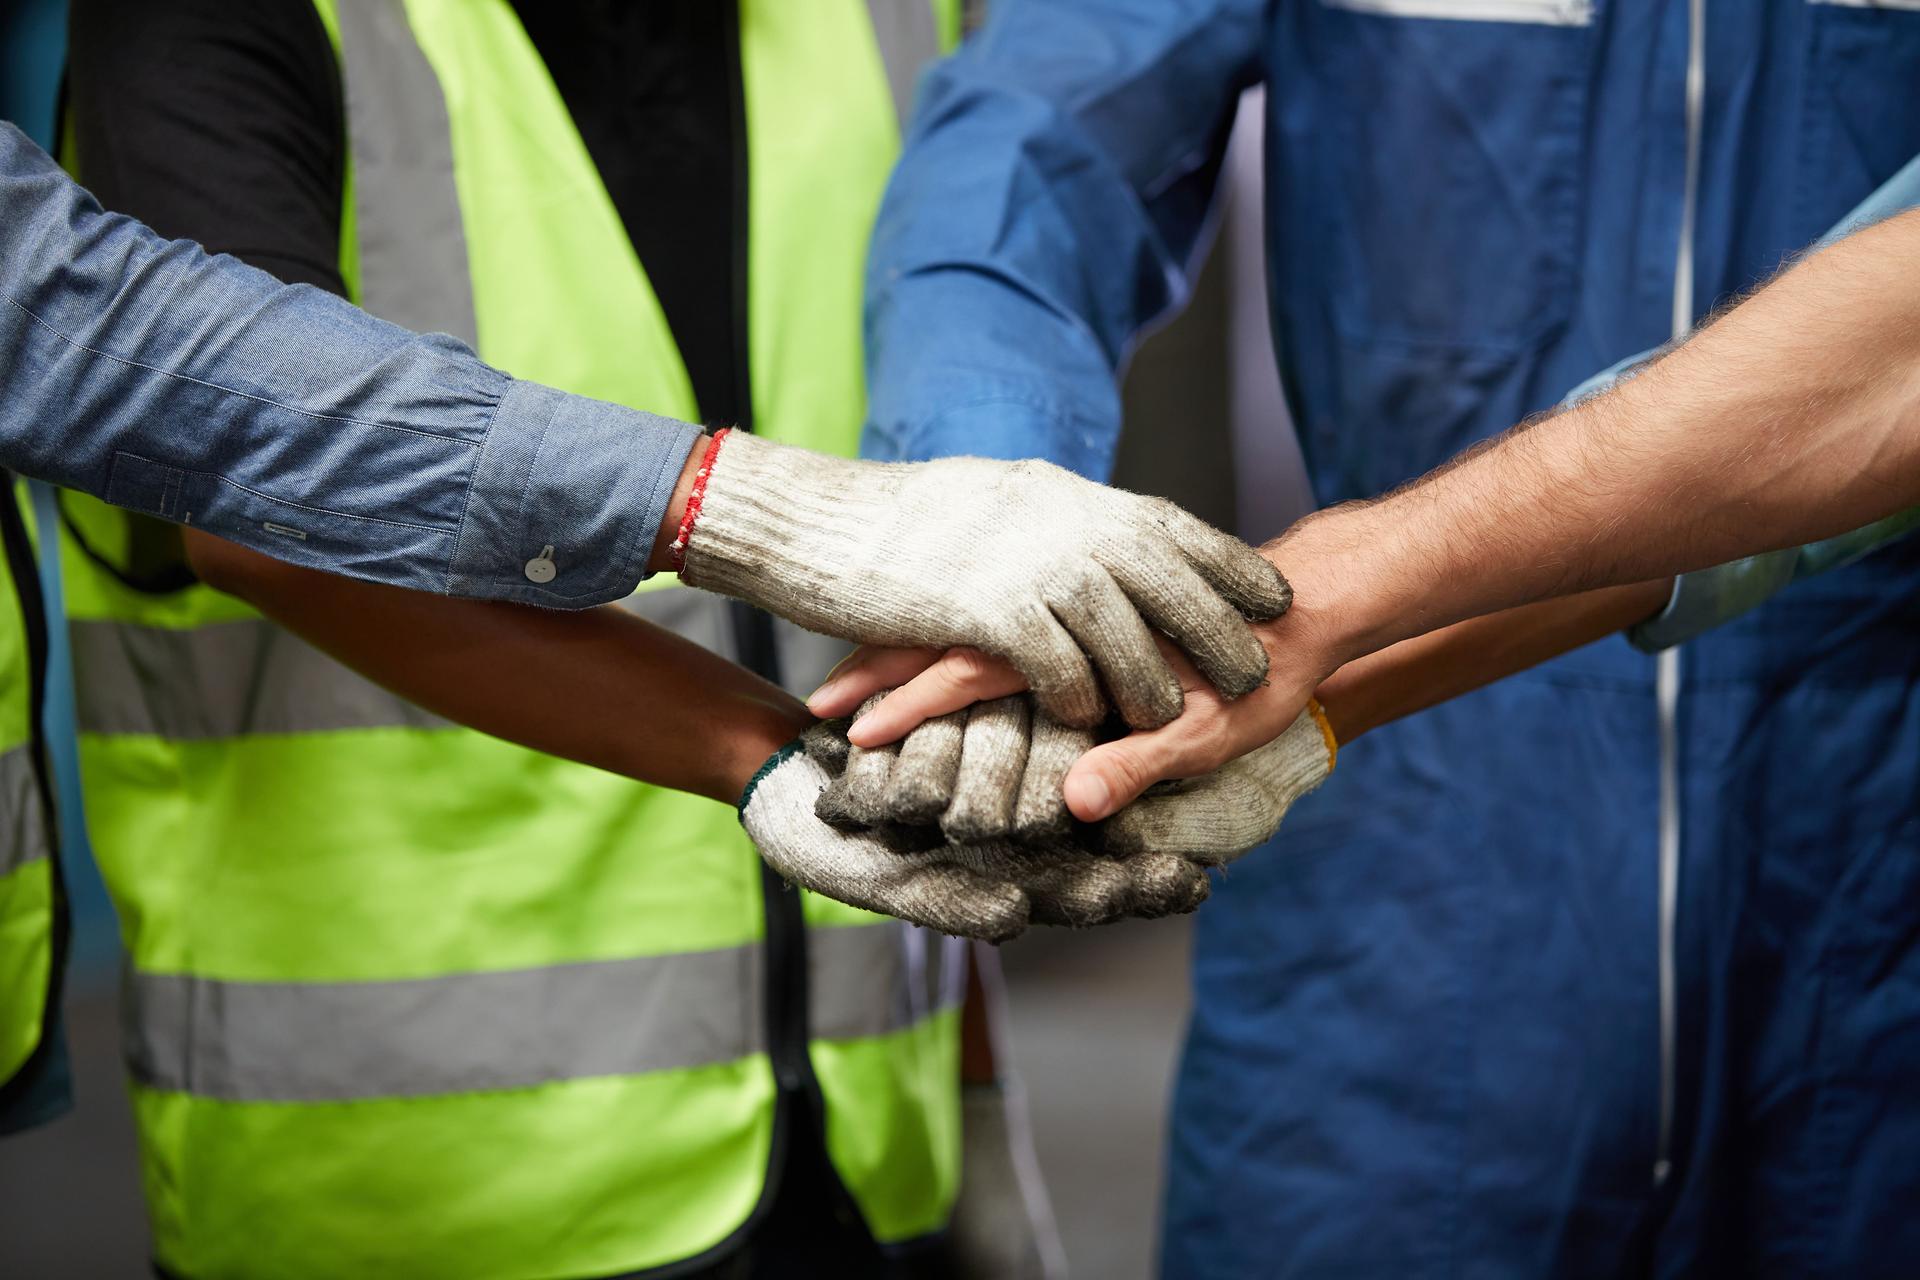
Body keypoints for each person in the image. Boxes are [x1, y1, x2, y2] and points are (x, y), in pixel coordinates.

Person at [18, 8, 1281, 1279]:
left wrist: (976, 1082)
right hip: (422, 1180)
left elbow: (936, 603)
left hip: (857, 1144)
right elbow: (253, 493)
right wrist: (764, 751)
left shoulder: (885, 15)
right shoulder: (227, 25)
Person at [846, 2, 1920, 1274]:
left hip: (1876, 861)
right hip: (1397, 875)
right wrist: (990, 516)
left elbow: (1877, 369)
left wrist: (1336, 590)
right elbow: (1044, 126)